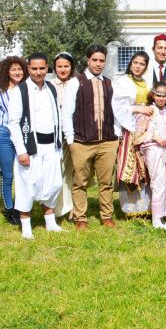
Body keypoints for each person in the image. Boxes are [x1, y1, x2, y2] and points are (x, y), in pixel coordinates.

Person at [8, 53, 66, 239]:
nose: (38, 72)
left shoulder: (51, 88)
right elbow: (13, 123)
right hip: (31, 145)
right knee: (27, 184)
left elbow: (57, 118)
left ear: (47, 68)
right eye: (34, 69)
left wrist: (59, 145)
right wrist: (21, 151)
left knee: (53, 183)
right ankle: (26, 227)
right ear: (28, 69)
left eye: (42, 68)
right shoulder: (20, 90)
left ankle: (50, 222)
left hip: (51, 145)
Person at [63, 45, 121, 230]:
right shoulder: (76, 82)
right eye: (94, 60)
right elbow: (67, 113)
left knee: (106, 182)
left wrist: (117, 135)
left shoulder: (110, 83)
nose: (98, 64)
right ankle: (81, 217)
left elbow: (116, 111)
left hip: (108, 141)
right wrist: (71, 140)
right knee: (80, 182)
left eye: (101, 60)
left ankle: (107, 216)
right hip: (82, 142)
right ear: (88, 60)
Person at [135, 82, 166, 229]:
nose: (161, 99)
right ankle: (156, 220)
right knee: (158, 182)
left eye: (164, 96)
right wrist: (154, 136)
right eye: (158, 95)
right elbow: (137, 136)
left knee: (165, 182)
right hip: (152, 149)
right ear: (153, 95)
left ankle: (163, 214)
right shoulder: (148, 111)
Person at [112, 50, 155, 218]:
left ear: (146, 67)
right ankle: (131, 208)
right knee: (132, 168)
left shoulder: (145, 82)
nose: (138, 66)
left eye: (142, 64)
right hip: (130, 129)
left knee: (145, 166)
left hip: (145, 129)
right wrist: (138, 108)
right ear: (130, 64)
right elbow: (117, 107)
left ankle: (145, 206)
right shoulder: (123, 81)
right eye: (135, 63)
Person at [0, 56, 27, 226]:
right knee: (8, 175)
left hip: (21, 135)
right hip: (3, 134)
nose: (17, 72)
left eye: (20, 69)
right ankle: (10, 210)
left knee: (22, 174)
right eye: (13, 70)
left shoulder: (26, 90)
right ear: (7, 72)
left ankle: (21, 207)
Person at [50, 52, 79, 220]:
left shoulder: (76, 84)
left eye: (66, 66)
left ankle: (73, 207)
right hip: (54, 134)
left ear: (71, 67)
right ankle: (55, 206)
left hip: (73, 133)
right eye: (59, 66)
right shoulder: (48, 85)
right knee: (57, 170)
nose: (62, 69)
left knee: (74, 170)